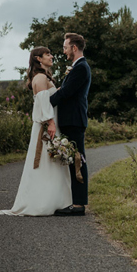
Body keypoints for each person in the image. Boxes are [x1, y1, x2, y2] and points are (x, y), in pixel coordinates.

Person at [0, 47, 72, 216]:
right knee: (47, 162)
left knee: (50, 162)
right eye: (47, 54)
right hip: (47, 125)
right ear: (38, 58)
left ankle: (54, 199)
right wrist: (50, 123)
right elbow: (43, 103)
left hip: (48, 124)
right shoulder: (41, 77)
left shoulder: (42, 77)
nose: (51, 56)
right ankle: (44, 202)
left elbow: (48, 99)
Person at [50, 33, 91, 216]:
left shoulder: (81, 68)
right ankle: (74, 201)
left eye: (66, 47)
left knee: (77, 161)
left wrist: (46, 102)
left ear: (74, 48)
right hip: (71, 121)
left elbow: (66, 92)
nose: (64, 50)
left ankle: (78, 205)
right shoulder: (78, 67)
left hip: (74, 121)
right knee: (73, 160)